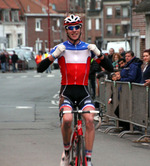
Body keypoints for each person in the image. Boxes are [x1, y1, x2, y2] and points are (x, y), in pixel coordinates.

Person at [37, 14, 113, 166]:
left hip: (84, 92)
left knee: (90, 120)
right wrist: (53, 55)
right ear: (66, 30)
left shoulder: (88, 49)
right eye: (70, 28)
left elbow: (110, 68)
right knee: (67, 120)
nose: (74, 30)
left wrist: (99, 54)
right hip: (67, 93)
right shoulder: (61, 48)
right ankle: (66, 151)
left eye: (76, 27)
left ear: (80, 28)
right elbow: (40, 68)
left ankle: (88, 160)